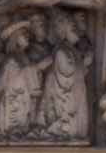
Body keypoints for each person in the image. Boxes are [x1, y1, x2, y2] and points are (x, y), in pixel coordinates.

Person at [37, 8, 92, 140]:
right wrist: (84, 65)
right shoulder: (62, 51)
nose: (76, 30)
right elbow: (64, 82)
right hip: (67, 107)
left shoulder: (71, 50)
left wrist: (85, 64)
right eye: (72, 27)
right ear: (63, 31)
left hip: (76, 100)